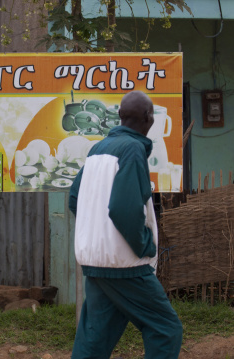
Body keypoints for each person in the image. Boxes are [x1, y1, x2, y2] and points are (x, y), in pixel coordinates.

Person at [68, 91, 182, 358]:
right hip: (125, 263)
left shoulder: (98, 149)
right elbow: (124, 209)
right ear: (149, 118)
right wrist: (144, 244)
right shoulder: (132, 149)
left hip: (95, 259)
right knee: (165, 328)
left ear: (119, 116)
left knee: (95, 338)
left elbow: (75, 199)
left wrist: (97, 233)